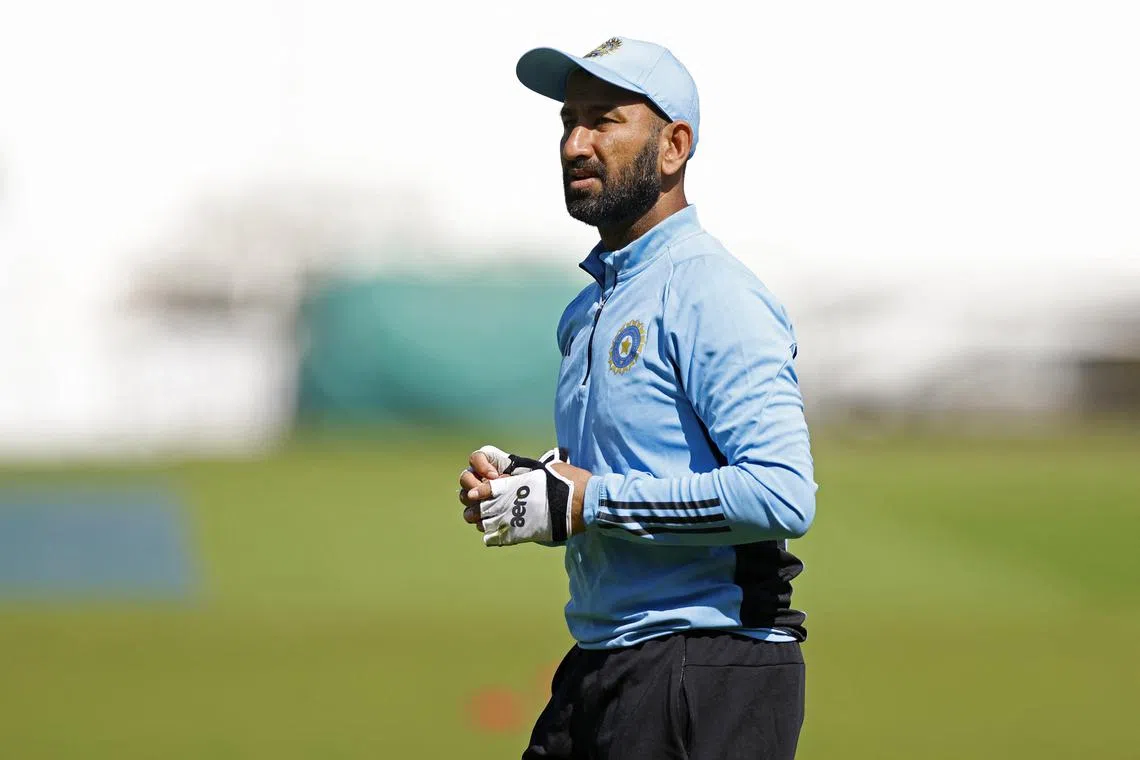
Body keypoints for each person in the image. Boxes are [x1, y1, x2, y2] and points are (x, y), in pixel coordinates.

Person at [457, 36, 817, 760]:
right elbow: (631, 465)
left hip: (707, 669)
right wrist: (541, 485)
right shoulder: (590, 307)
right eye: (568, 121)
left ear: (674, 147)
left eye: (605, 120)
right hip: (606, 661)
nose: (576, 144)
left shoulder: (712, 291)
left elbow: (783, 494)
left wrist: (591, 502)